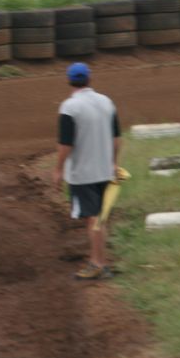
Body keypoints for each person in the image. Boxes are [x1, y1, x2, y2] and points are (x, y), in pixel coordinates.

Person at [54, 62, 122, 280]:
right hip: (104, 170)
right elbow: (117, 139)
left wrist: (58, 169)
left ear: (69, 81)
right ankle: (101, 262)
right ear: (89, 79)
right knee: (99, 219)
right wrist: (113, 163)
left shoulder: (69, 107)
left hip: (82, 174)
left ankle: (97, 264)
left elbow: (66, 144)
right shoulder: (107, 102)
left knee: (93, 219)